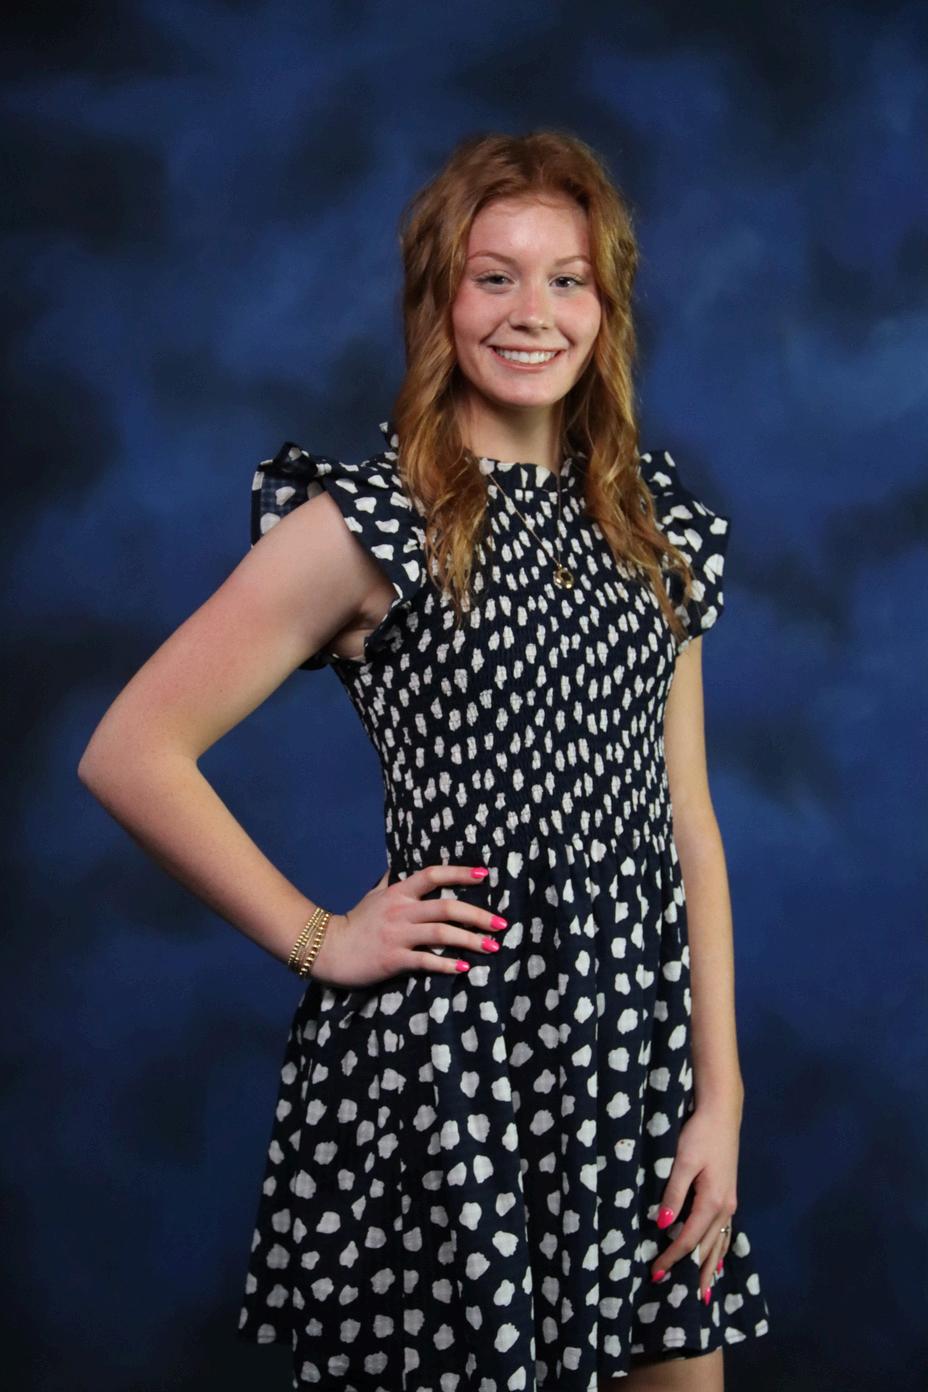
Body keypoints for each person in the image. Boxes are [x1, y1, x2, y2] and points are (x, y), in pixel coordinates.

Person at [77, 130, 771, 1391]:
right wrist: (318, 936)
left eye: (566, 279)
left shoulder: (647, 524)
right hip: (452, 1058)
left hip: (632, 1049)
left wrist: (717, 1097)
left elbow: (690, 824)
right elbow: (132, 750)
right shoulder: (370, 522)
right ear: (438, 298)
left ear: (605, 307)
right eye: (492, 276)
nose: (531, 311)